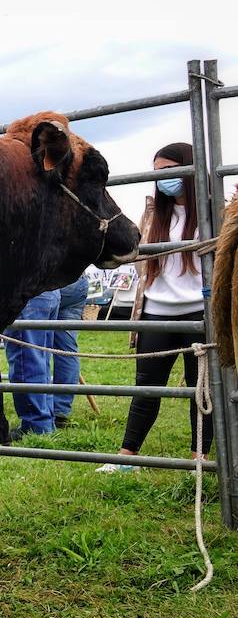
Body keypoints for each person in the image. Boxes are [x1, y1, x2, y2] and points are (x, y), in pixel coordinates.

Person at [97, 142, 213, 473]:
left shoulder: (211, 209)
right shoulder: (152, 215)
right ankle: (127, 456)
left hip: (199, 313)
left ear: (189, 170)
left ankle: (199, 457)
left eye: (168, 170)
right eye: (156, 172)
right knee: (146, 388)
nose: (162, 179)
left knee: (201, 388)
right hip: (156, 313)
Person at [4, 287, 61, 438]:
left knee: (25, 360)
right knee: (41, 359)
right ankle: (45, 422)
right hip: (49, 291)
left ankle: (36, 425)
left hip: (28, 293)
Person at [51, 272, 91, 428]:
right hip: (78, 281)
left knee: (36, 343)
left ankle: (40, 413)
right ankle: (60, 410)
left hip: (52, 279)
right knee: (67, 348)